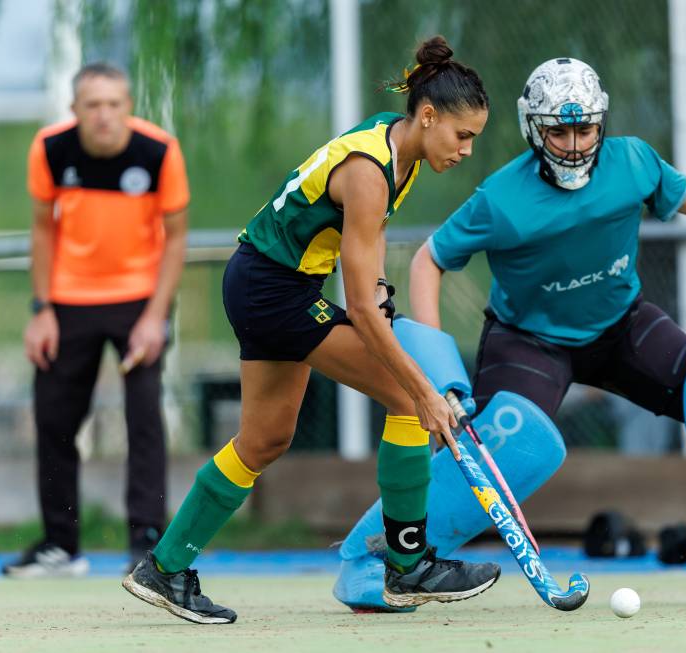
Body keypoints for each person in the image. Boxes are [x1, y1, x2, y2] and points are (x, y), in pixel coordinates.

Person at [384, 57, 686, 605]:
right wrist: (438, 372)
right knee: (500, 450)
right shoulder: (501, 200)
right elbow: (428, 260)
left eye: (585, 128)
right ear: (532, 128)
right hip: (528, 340)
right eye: (558, 131)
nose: (575, 143)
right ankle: (388, 559)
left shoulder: (632, 163)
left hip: (621, 326)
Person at [122, 36, 500, 624]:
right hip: (275, 290)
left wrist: (377, 294)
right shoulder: (371, 172)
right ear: (428, 117)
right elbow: (360, 304)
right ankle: (408, 566)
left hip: (265, 283)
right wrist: (425, 391)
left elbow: (362, 264)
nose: (468, 150)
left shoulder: (398, 147)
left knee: (265, 438)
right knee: (406, 397)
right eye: (463, 135)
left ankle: (166, 567)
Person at [3, 63, 189, 578]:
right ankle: (60, 545)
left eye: (113, 104)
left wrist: (155, 317)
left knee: (144, 418)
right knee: (54, 420)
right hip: (67, 300)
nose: (104, 115)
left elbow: (175, 239)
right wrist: (41, 312)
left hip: (138, 302)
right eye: (93, 105)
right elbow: (42, 230)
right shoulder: (50, 148)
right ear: (76, 109)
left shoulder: (159, 152)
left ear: (128, 107)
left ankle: (147, 542)